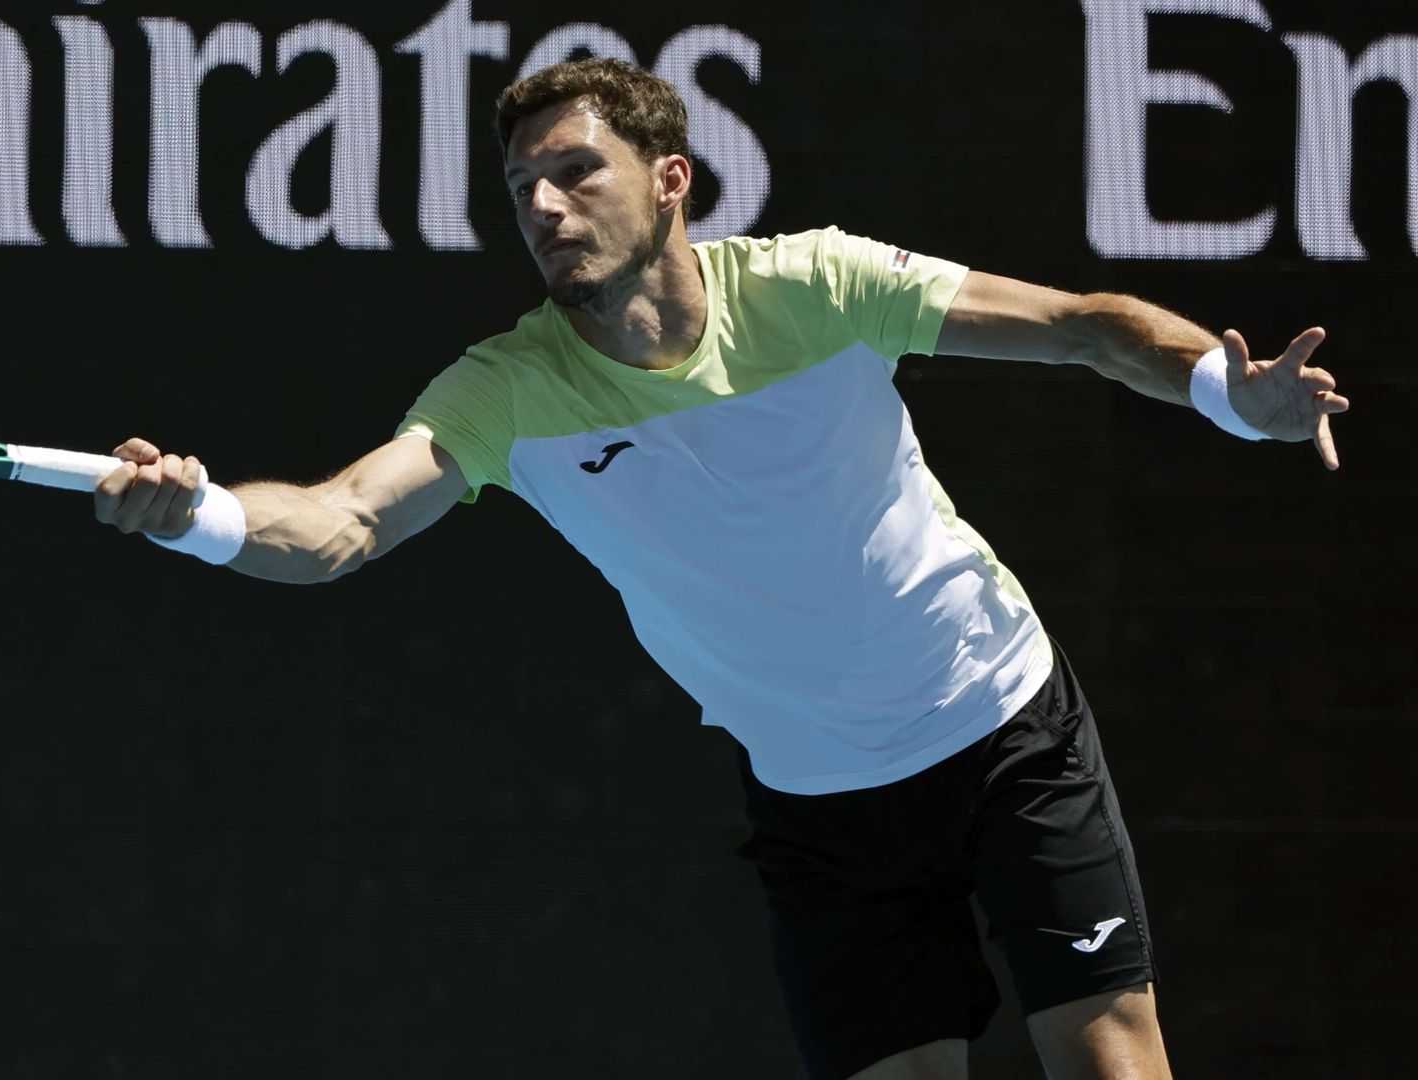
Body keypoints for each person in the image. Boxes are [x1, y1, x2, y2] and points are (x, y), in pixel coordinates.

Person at [92, 59, 1345, 1079]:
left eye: (576, 170)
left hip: (1004, 726)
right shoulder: (506, 389)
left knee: (1113, 1061)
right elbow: (342, 523)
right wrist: (198, 515)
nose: (543, 205)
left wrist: (1228, 397)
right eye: (523, 183)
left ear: (671, 181)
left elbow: (1081, 328)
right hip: (818, 804)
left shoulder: (819, 286)